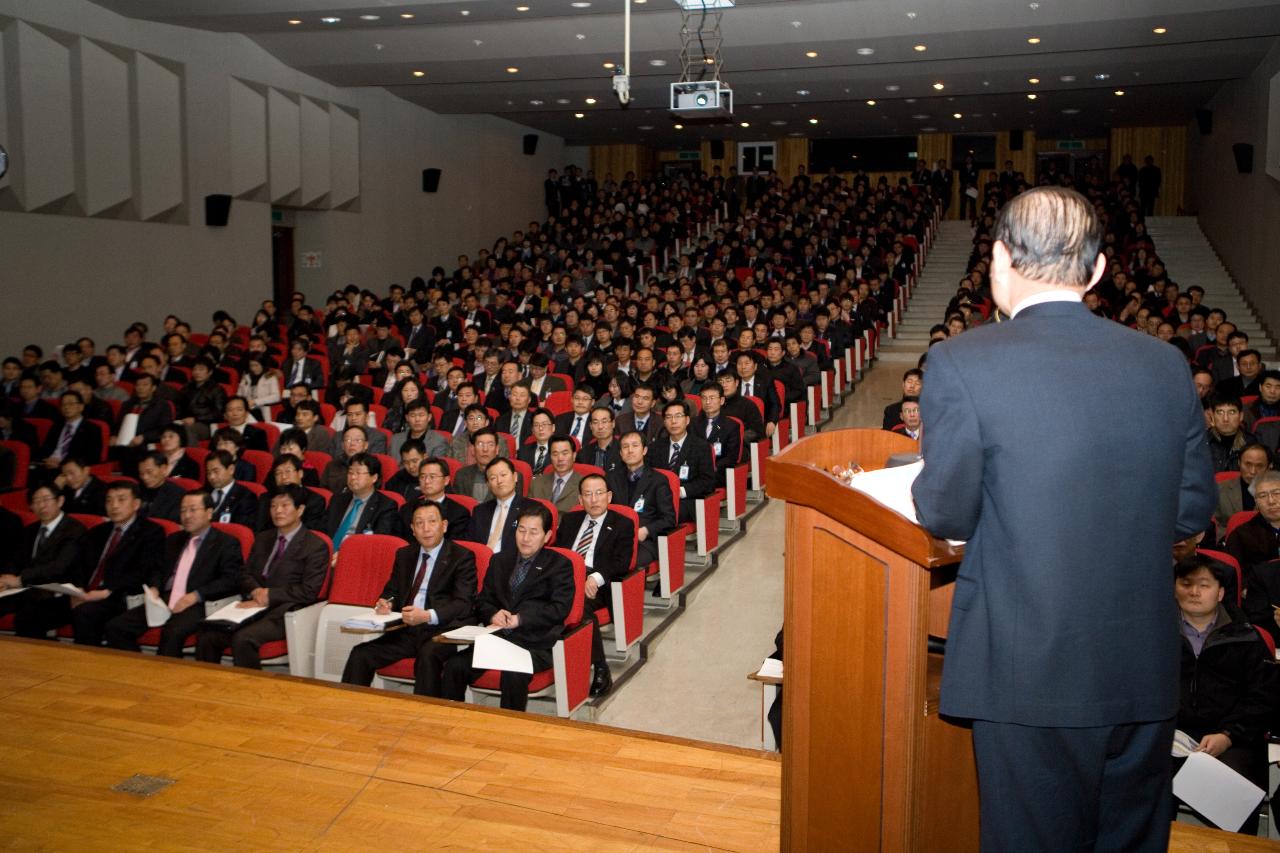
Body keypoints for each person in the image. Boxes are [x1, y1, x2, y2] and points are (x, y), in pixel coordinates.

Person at [910, 186, 1215, 851]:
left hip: (1026, 676)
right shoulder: (1166, 365)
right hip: (1139, 671)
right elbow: (1192, 510)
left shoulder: (962, 362)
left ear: (996, 259)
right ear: (1098, 269)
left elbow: (945, 510)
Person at [1173, 555, 1276, 835]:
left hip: (1231, 739)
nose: (1194, 592)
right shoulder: (1154, 636)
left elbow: (1263, 698)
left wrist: (1228, 734)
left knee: (1236, 792)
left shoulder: (1246, 637)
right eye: (1186, 584)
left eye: (1204, 585)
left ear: (1220, 592)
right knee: (1137, 784)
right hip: (1169, 736)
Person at [441, 502, 574, 711]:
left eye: (533, 532)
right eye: (521, 530)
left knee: (513, 672)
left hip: (534, 644)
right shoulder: (500, 560)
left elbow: (559, 609)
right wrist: (493, 614)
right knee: (455, 666)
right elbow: (483, 600)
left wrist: (520, 619)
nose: (526, 538)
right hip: (498, 638)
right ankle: (452, 720)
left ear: (547, 536)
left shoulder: (560, 565)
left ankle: (509, 728)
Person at [340, 501, 478, 697]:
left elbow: (463, 603)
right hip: (407, 630)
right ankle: (347, 707)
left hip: (442, 630)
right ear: (412, 529)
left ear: (444, 525)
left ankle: (424, 715)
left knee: (427, 656)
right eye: (419, 523)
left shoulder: (461, 556)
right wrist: (386, 602)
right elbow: (393, 590)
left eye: (432, 521)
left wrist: (427, 616)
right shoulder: (405, 554)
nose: (426, 528)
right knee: (361, 654)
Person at [194, 485, 330, 669]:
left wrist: (269, 595)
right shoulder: (263, 538)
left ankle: (250, 691)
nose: (278, 511)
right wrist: (256, 591)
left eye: (284, 505)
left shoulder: (315, 546)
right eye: (273, 506)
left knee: (243, 639)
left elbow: (308, 591)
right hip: (251, 606)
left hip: (283, 611)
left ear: (300, 510)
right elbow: (244, 573)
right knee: (208, 635)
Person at [17, 480, 165, 646]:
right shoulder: (98, 532)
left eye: (121, 500)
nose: (114, 505)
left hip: (118, 596)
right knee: (31, 613)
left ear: (136, 504)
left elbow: (143, 571)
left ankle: (88, 665)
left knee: (85, 613)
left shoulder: (151, 532)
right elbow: (78, 565)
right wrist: (77, 589)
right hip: (84, 594)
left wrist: (106, 592)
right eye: (109, 500)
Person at [104, 490, 244, 656]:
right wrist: (155, 587)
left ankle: (167, 678)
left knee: (172, 633)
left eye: (192, 510)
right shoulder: (173, 540)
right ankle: (141, 669)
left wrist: (196, 595)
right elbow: (158, 569)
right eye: (183, 510)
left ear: (208, 512)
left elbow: (230, 579)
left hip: (199, 602)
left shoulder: (226, 542)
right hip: (165, 598)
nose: (186, 515)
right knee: (117, 627)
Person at [555, 473, 636, 696]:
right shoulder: (570, 521)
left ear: (609, 496)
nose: (594, 499)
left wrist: (594, 578)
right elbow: (559, 555)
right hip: (567, 578)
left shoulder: (623, 523)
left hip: (599, 584)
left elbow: (622, 562)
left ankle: (600, 666)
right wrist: (575, 578)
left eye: (599, 493)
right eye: (588, 494)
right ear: (580, 500)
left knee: (580, 607)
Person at [0, 484, 87, 619]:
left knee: (29, 610)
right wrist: (5, 577)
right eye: (36, 501)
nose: (42, 506)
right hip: (27, 588)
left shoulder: (74, 530)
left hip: (58, 590)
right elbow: (16, 559)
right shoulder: (30, 530)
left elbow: (59, 567)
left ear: (60, 501)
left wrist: (20, 579)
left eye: (46, 500)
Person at [606, 431, 676, 573]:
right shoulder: (611, 478)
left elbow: (669, 519)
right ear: (620, 453)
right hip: (615, 538)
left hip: (643, 542)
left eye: (635, 445)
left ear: (644, 450)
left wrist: (646, 530)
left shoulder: (658, 480)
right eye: (625, 447)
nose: (630, 450)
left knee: (621, 564)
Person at [648, 400, 715, 523]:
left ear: (687, 420)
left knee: (662, 514)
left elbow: (707, 481)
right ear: (664, 422)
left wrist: (681, 492)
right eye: (669, 417)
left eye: (678, 416)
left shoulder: (701, 447)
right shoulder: (654, 447)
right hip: (657, 499)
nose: (673, 421)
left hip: (686, 501)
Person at [325, 453, 401, 550]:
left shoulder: (386, 506)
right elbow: (323, 532)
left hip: (356, 555)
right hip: (325, 554)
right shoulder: (337, 500)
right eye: (350, 472)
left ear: (374, 477)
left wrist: (344, 555)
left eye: (358, 473)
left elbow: (377, 543)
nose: (353, 477)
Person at [398, 457, 472, 541]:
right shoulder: (406, 509)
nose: (427, 481)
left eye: (432, 477)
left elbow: (454, 548)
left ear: (446, 480)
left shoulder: (459, 513)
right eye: (423, 477)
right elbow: (399, 542)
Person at [464, 458, 527, 555]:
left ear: (515, 477)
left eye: (503, 475)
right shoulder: (479, 511)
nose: (499, 481)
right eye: (493, 478)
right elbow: (470, 545)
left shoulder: (530, 509)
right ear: (488, 485)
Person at [1214, 443, 1270, 528]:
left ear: (1268, 467)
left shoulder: (1276, 492)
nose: (1253, 471)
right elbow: (1213, 527)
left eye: (1259, 466)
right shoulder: (1219, 489)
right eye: (1248, 464)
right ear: (1239, 463)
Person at [529, 434, 583, 513]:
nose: (560, 458)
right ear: (550, 456)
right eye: (555, 454)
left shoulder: (583, 486)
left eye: (564, 453)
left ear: (574, 456)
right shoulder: (536, 483)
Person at [205, 450, 259, 527]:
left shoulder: (245, 496)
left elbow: (240, 530)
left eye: (216, 471)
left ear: (231, 469)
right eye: (208, 473)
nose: (211, 477)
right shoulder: (203, 492)